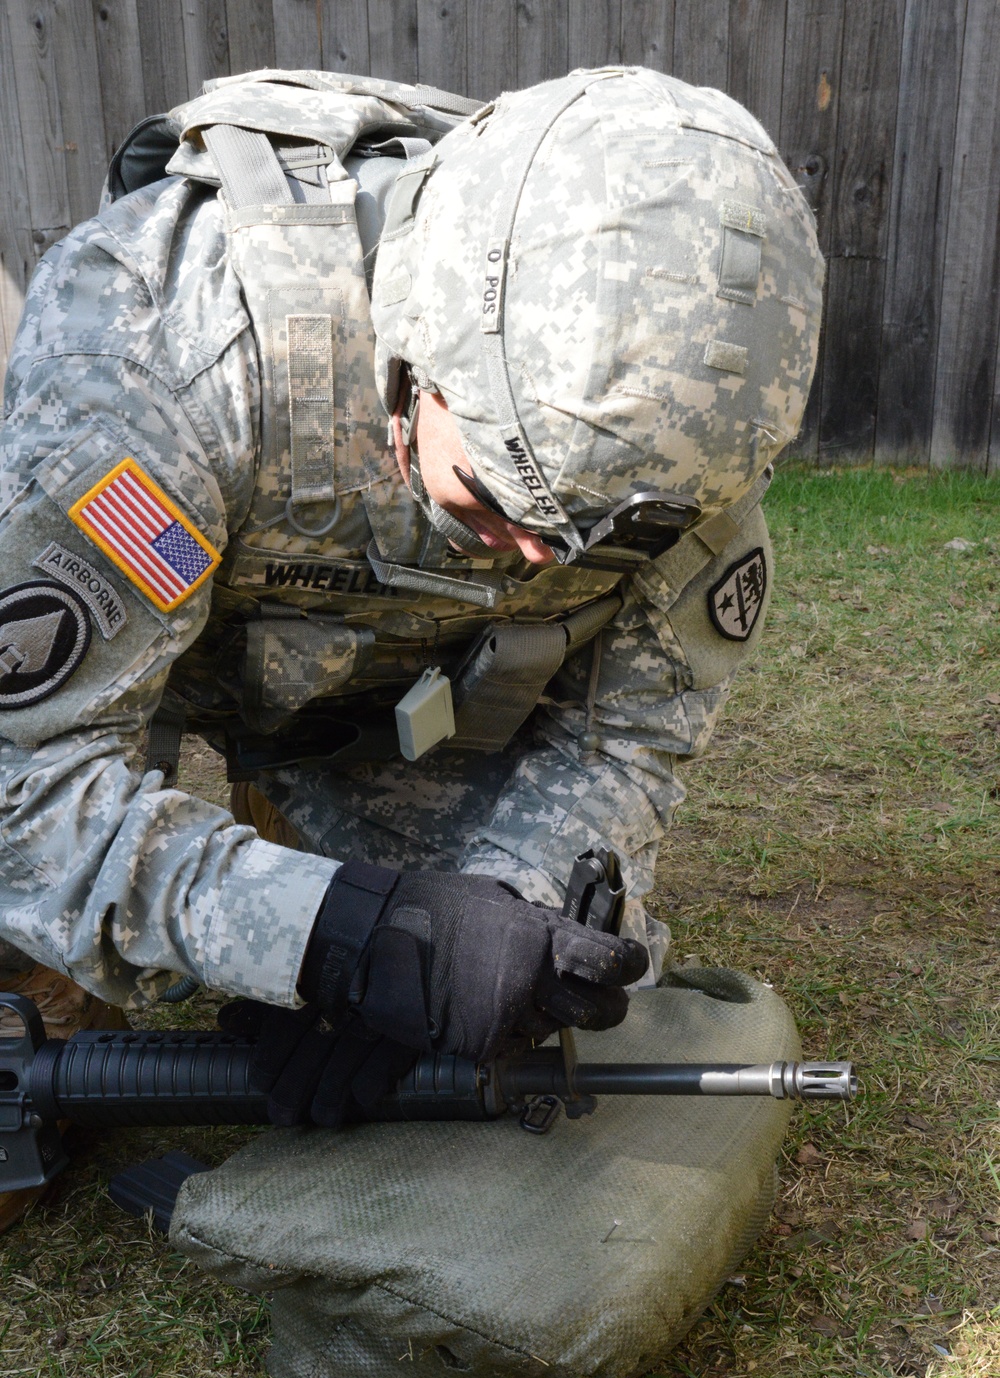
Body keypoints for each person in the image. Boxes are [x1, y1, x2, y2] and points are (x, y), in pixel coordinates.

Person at [0, 66, 823, 1220]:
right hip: (105, 669)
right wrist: (329, 931)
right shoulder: (163, 357)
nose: (539, 561)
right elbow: (19, 790)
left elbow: (624, 751)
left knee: (482, 988)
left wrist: (478, 926)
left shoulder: (689, 463)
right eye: (492, 501)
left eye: (591, 540)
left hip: (360, 703)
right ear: (414, 352)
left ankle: (299, 825)